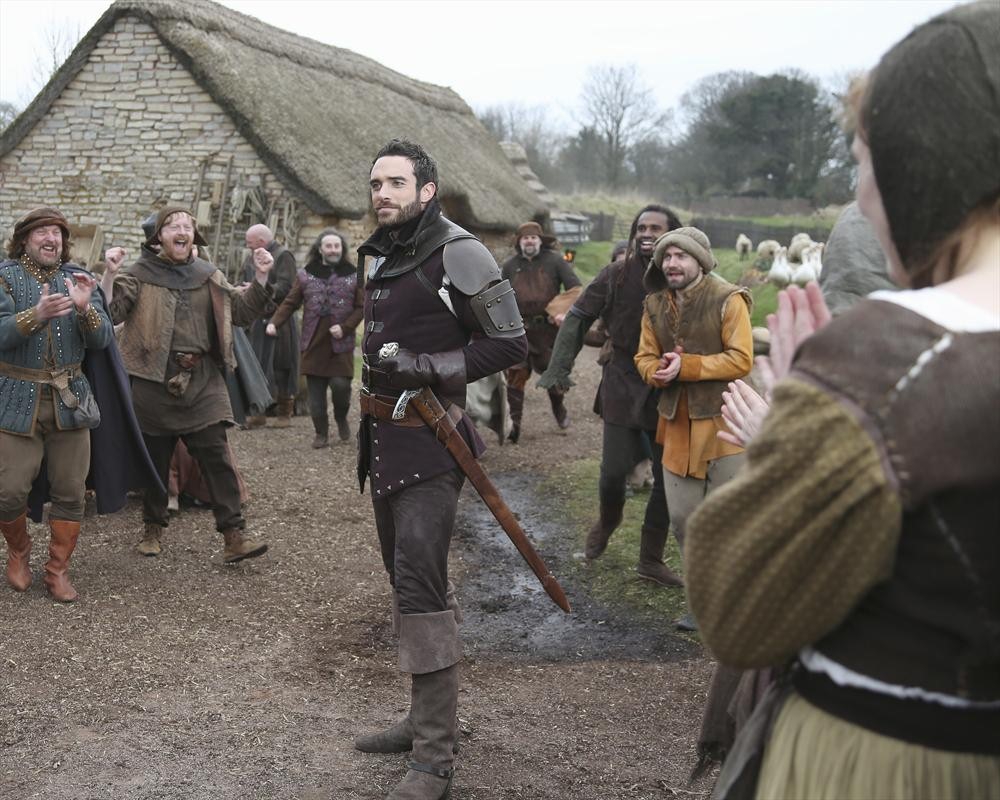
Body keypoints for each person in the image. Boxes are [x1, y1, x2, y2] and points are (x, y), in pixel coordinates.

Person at [687, 3, 1000, 797]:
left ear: (920, 168)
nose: (861, 194)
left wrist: (798, 414)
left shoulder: (890, 361)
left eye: (865, 161)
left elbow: (739, 608)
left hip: (897, 760)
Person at [353, 139, 526, 800]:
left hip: (431, 446)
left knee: (422, 595)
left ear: (428, 190)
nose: (383, 193)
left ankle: (433, 761)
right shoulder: (386, 250)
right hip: (383, 441)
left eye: (396, 183)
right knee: (410, 587)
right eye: (377, 183)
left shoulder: (460, 251)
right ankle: (425, 721)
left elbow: (508, 344)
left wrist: (427, 368)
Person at [101, 206, 273, 563]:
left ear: (194, 237)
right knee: (155, 462)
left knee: (217, 457)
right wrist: (110, 273)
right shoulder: (139, 275)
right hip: (152, 381)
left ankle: (233, 536)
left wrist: (261, 276)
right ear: (158, 238)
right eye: (173, 226)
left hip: (202, 380)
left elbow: (241, 313)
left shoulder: (208, 274)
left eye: (187, 227)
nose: (182, 231)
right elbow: (111, 312)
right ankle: (152, 528)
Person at [539, 205, 683, 587]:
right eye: (641, 227)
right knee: (613, 472)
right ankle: (608, 521)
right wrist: (559, 367)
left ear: (673, 234)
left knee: (668, 478)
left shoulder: (684, 275)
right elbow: (578, 316)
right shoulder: (616, 274)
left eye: (655, 228)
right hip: (621, 380)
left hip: (668, 385)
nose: (646, 233)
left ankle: (650, 559)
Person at [633, 227, 752, 630]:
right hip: (676, 425)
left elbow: (741, 359)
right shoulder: (653, 305)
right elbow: (644, 357)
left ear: (699, 260)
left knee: (728, 520)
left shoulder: (729, 299)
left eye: (680, 256)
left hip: (726, 422)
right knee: (686, 520)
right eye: (666, 257)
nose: (672, 264)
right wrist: (657, 372)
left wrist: (688, 366)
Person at [0, 208, 114, 602]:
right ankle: (19, 552)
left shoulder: (78, 279)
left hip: (71, 401)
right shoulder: (5, 277)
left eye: (58, 233)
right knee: (8, 490)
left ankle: (57, 570)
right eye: (42, 232)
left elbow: (102, 341)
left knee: (70, 490)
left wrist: (85, 308)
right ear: (25, 239)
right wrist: (36, 315)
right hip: (15, 399)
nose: (51, 239)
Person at [266, 227, 363, 448]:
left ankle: (341, 417)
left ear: (342, 248)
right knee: (316, 396)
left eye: (336, 246)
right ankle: (321, 433)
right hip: (313, 343)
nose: (333, 250)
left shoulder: (354, 274)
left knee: (341, 388)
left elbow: (361, 307)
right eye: (328, 246)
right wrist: (274, 322)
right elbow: (290, 302)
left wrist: (346, 327)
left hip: (341, 344)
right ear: (320, 249)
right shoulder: (305, 274)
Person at [500, 221, 581, 442]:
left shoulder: (555, 261)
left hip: (547, 331)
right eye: (525, 238)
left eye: (533, 238)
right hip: (519, 331)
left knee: (553, 376)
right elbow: (498, 295)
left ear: (539, 241)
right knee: (515, 376)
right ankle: (514, 426)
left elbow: (575, 288)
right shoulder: (510, 266)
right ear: (519, 242)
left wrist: (558, 310)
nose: (529, 241)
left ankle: (559, 409)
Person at [242, 223, 299, 429]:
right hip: (258, 318)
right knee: (256, 364)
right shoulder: (251, 257)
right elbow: (245, 280)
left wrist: (262, 288)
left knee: (281, 365)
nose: (247, 246)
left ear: (261, 241)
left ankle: (284, 413)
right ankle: (258, 413)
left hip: (280, 319)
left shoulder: (283, 256)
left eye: (250, 242)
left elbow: (288, 287)